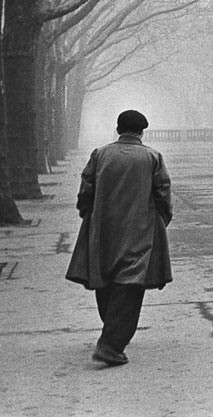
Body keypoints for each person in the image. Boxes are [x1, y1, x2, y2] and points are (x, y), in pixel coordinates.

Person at [65, 110, 174, 366]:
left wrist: (88, 216)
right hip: (139, 228)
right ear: (141, 132)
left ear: (118, 129)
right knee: (130, 281)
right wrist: (161, 221)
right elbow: (163, 194)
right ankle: (111, 345)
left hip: (102, 227)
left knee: (104, 275)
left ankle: (111, 329)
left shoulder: (100, 154)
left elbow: (86, 189)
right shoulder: (151, 157)